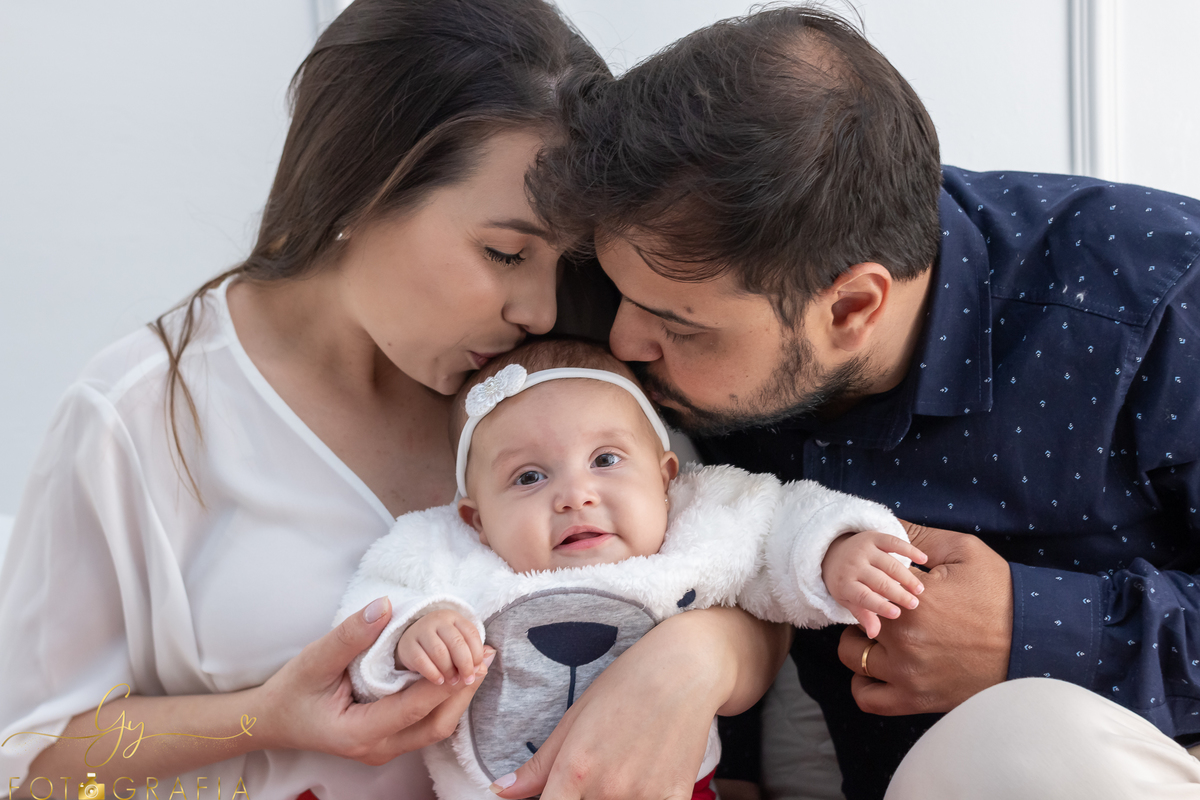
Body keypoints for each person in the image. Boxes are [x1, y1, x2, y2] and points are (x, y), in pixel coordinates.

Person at [0, 3, 789, 800]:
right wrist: (266, 718)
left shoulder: (560, 376)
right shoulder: (143, 416)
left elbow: (740, 572)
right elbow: (27, 752)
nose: (539, 310)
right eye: (505, 252)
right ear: (363, 185)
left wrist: (697, 660)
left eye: (562, 260)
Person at [528, 4, 1200, 800]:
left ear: (851, 309)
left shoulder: (1157, 300)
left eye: (677, 323)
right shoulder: (701, 323)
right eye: (618, 293)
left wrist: (1034, 631)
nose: (624, 343)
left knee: (1023, 746)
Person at [334, 339, 924, 799]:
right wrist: (412, 633)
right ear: (477, 518)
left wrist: (835, 548)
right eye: (529, 477)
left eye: (606, 459)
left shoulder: (695, 524)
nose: (575, 495)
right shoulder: (451, 552)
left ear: (667, 477)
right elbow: (375, 605)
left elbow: (780, 522)